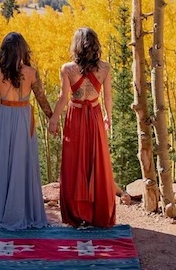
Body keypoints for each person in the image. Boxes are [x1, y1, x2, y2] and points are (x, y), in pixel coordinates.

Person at [49, 27, 117, 228]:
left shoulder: (67, 69)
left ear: (76, 46)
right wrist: (108, 116)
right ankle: (98, 213)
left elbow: (63, 98)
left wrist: (53, 120)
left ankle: (76, 214)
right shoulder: (105, 68)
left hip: (76, 116)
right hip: (95, 115)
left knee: (75, 160)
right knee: (96, 160)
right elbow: (108, 97)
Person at [0, 32, 53, 229]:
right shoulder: (31, 72)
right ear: (22, 50)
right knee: (23, 163)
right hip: (23, 118)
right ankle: (25, 213)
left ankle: (1, 212)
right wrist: (52, 118)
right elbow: (41, 99)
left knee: (3, 162)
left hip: (5, 117)